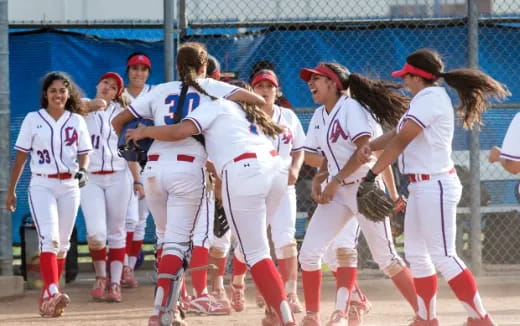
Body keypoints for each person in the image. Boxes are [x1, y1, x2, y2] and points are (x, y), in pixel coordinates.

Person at [111, 42, 266, 325]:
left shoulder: (159, 90)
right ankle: (164, 309)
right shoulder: (209, 86)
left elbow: (119, 120)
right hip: (187, 168)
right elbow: (256, 100)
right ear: (204, 68)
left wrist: (142, 139)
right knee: (179, 242)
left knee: (164, 237)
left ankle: (173, 305)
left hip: (154, 169)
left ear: (178, 67)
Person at [357, 48, 509, 326]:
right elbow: (397, 134)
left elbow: (402, 140)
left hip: (435, 185)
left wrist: (372, 175)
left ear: (418, 77)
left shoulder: (430, 99)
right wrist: (372, 145)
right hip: (421, 187)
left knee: (443, 254)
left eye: (407, 76)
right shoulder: (422, 100)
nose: (404, 80)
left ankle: (481, 318)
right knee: (416, 254)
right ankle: (426, 318)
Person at [125, 82, 297, 326]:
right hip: (276, 171)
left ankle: (285, 319)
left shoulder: (216, 104)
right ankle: (273, 312)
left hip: (243, 172)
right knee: (257, 250)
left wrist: (144, 132)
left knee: (255, 253)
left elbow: (177, 131)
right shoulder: (248, 112)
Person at [298, 62, 418, 326]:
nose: (311, 83)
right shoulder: (320, 115)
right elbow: (325, 156)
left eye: (317, 78)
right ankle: (313, 316)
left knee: (385, 258)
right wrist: (320, 178)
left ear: (333, 83)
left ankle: (424, 313)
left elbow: (365, 151)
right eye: (310, 79)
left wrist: (336, 180)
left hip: (364, 188)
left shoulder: (351, 108)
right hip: (338, 192)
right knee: (309, 253)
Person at [5, 71, 92, 317]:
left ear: (68, 93)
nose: (58, 94)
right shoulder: (34, 119)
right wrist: (11, 190)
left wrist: (84, 170)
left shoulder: (76, 120)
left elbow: (85, 151)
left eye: (62, 90)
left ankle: (48, 297)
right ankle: (53, 290)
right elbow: (21, 157)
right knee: (50, 239)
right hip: (42, 184)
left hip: (69, 185)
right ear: (46, 94)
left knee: (62, 244)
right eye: (53, 90)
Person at [229, 69, 306, 313]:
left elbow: (299, 148)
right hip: (254, 186)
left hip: (283, 184)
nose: (265, 90)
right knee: (251, 242)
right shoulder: (243, 117)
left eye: (269, 86)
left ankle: (290, 293)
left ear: (277, 90)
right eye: (259, 86)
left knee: (286, 239)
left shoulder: (289, 116)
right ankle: (238, 282)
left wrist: (295, 168)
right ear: (252, 91)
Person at [81, 72, 136, 303]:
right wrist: (92, 106)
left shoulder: (121, 113)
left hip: (118, 175)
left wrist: (138, 179)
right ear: (97, 83)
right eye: (105, 82)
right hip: (90, 177)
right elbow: (71, 107)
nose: (108, 88)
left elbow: (131, 142)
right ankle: (100, 276)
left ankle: (114, 282)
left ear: (118, 93)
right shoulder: (81, 106)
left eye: (114, 87)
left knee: (116, 232)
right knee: (96, 234)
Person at [121, 52, 153, 288]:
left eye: (143, 69)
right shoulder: (119, 94)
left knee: (141, 218)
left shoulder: (155, 93)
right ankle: (121, 265)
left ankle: (129, 267)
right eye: (134, 68)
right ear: (128, 70)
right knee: (125, 220)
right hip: (122, 161)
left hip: (148, 160)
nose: (138, 73)